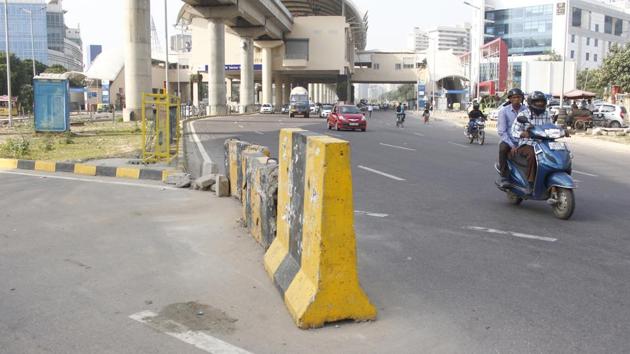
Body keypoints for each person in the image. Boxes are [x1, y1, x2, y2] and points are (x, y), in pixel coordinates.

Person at [510, 91, 556, 194]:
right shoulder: (523, 114)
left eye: (541, 101)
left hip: (544, 143)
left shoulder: (547, 114)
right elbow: (513, 131)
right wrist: (522, 134)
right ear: (531, 102)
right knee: (533, 155)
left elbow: (552, 127)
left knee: (557, 154)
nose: (540, 104)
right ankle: (530, 182)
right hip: (527, 143)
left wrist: (563, 131)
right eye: (537, 101)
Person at [497, 88, 527, 187]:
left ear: (522, 98)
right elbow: (502, 131)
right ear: (510, 99)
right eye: (514, 97)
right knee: (503, 149)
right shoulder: (504, 111)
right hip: (509, 139)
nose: (517, 99)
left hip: (524, 140)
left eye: (519, 97)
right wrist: (512, 145)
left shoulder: (526, 110)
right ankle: (504, 177)